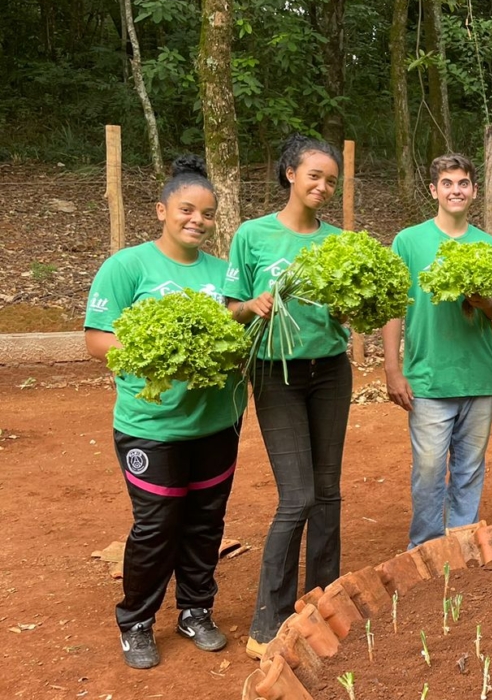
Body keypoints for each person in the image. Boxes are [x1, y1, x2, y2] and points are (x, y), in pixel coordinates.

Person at [85, 156, 243, 668]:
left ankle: (196, 610)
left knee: (205, 521)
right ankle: (136, 621)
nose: (197, 220)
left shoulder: (224, 274)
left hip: (216, 421)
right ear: (162, 210)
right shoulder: (127, 267)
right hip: (150, 426)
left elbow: (241, 333)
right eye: (186, 209)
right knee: (156, 526)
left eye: (208, 213)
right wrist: (154, 357)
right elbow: (95, 340)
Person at [225, 134, 350, 658]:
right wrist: (250, 305)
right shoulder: (252, 236)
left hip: (330, 373)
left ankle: (324, 605)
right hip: (275, 374)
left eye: (331, 180)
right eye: (314, 175)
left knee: (327, 494)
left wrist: (351, 309)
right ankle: (269, 622)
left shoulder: (339, 239)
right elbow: (228, 306)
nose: (322, 186)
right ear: (290, 174)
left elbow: (349, 312)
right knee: (296, 496)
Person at [384, 154, 492, 547]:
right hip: (428, 377)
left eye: (464, 183)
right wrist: (392, 368)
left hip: (477, 375)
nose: (457, 190)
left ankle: (461, 544)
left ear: (473, 190)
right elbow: (393, 306)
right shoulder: (409, 241)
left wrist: (481, 298)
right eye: (448, 183)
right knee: (429, 471)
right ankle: (424, 548)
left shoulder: (487, 245)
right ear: (434, 189)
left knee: (469, 470)